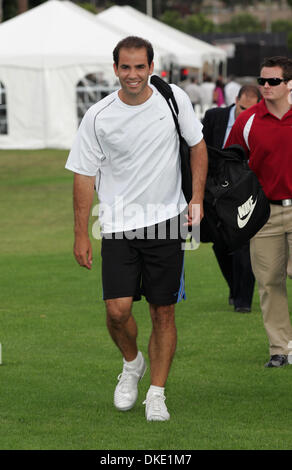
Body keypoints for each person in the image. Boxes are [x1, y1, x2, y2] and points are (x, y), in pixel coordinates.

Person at [65, 36, 208, 419]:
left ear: (151, 67)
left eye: (139, 67)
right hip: (117, 226)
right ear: (115, 69)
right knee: (117, 310)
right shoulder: (98, 115)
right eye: (125, 67)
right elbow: (83, 175)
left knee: (164, 313)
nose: (132, 75)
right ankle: (132, 364)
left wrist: (196, 198)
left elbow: (197, 145)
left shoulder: (173, 97)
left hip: (167, 222)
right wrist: (81, 234)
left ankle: (157, 393)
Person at [226, 56, 292, 367]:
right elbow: (230, 161)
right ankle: (280, 349)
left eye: (273, 81)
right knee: (269, 282)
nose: (265, 86)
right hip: (263, 214)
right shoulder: (248, 120)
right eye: (262, 81)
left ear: (289, 83)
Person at [202, 85, 261, 313]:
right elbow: (201, 149)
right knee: (220, 244)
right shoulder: (214, 117)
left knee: (243, 244)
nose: (246, 113)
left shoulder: (259, 124)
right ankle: (234, 289)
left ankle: (243, 301)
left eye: (251, 109)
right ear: (235, 101)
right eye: (242, 108)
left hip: (245, 190)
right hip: (216, 192)